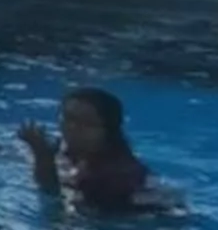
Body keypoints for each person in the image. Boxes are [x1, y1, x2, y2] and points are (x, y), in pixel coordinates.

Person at [19, 85, 155, 211]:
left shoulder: (114, 175)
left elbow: (58, 211)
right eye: (68, 118)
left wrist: (43, 158)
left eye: (86, 123)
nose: (72, 127)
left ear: (108, 130)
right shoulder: (73, 151)